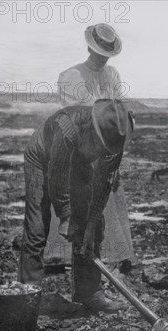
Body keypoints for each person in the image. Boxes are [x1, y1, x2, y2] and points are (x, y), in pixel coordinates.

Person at [19, 99, 134, 313]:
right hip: (41, 158)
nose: (102, 151)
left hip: (77, 162)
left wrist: (89, 224)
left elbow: (103, 186)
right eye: (99, 145)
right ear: (92, 129)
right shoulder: (67, 127)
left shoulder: (114, 143)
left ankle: (88, 292)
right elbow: (57, 174)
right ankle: (27, 294)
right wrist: (65, 217)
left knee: (94, 227)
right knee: (37, 229)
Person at [44, 23, 134, 268]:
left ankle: (110, 251)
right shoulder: (71, 76)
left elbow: (118, 112)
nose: (103, 58)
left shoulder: (112, 74)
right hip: (82, 144)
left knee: (109, 190)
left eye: (107, 54)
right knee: (78, 193)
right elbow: (74, 115)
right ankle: (63, 251)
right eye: (99, 53)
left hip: (106, 144)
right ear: (89, 48)